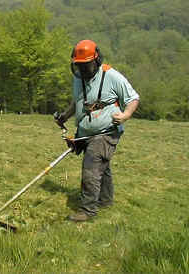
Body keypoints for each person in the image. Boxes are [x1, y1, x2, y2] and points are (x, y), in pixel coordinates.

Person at [55, 39, 140, 222]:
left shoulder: (111, 75)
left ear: (97, 60)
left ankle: (88, 211)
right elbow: (78, 101)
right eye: (79, 66)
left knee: (92, 166)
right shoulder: (78, 78)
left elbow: (133, 98)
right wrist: (65, 116)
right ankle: (105, 200)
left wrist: (125, 115)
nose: (83, 71)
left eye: (86, 66)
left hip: (106, 131)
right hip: (85, 132)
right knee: (103, 165)